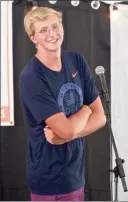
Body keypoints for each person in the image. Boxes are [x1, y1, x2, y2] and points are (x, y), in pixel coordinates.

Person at [19, 6, 106, 201]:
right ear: (33, 38)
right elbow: (68, 129)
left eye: (55, 26)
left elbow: (100, 117)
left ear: (62, 28)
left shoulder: (76, 61)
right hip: (49, 182)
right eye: (43, 30)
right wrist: (85, 110)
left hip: (75, 176)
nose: (52, 34)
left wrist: (69, 134)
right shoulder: (32, 77)